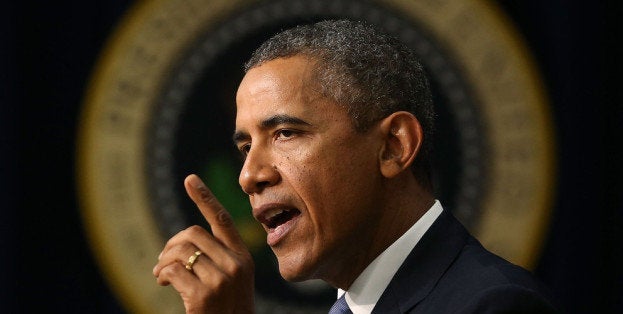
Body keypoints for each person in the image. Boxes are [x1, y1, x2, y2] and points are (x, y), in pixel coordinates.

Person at [152, 19, 559, 313]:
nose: (249, 175)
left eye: (286, 134)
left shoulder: (494, 305)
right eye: (245, 147)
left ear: (393, 147)